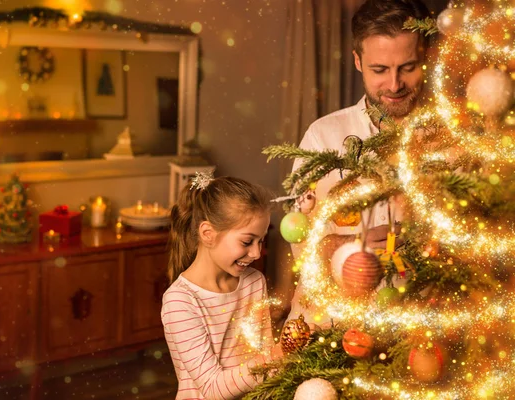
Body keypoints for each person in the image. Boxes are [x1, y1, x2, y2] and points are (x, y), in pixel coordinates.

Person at [288, 0, 431, 324]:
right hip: (333, 331)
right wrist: (346, 244)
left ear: (427, 59)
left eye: (408, 67)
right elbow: (298, 240)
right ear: (357, 61)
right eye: (379, 70)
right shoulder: (322, 137)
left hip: (422, 329)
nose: (394, 85)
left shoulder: (452, 141)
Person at [161, 174, 282, 400]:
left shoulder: (254, 282)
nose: (256, 253)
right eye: (247, 242)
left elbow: (264, 359)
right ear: (208, 234)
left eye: (261, 241)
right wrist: (279, 355)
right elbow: (214, 389)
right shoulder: (180, 301)